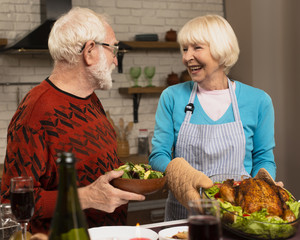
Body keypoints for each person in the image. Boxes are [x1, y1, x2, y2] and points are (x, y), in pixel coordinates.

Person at [0, 7, 145, 234]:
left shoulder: (91, 99)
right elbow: (11, 203)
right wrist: (87, 197)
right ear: (89, 51)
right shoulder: (35, 112)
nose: (116, 61)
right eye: (113, 49)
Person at [149, 14, 277, 220]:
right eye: (184, 49)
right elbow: (158, 156)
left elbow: (263, 158)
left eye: (196, 48)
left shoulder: (258, 101)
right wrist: (183, 176)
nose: (186, 57)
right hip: (183, 218)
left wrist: (263, 187)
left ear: (221, 49)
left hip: (239, 217)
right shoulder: (172, 97)